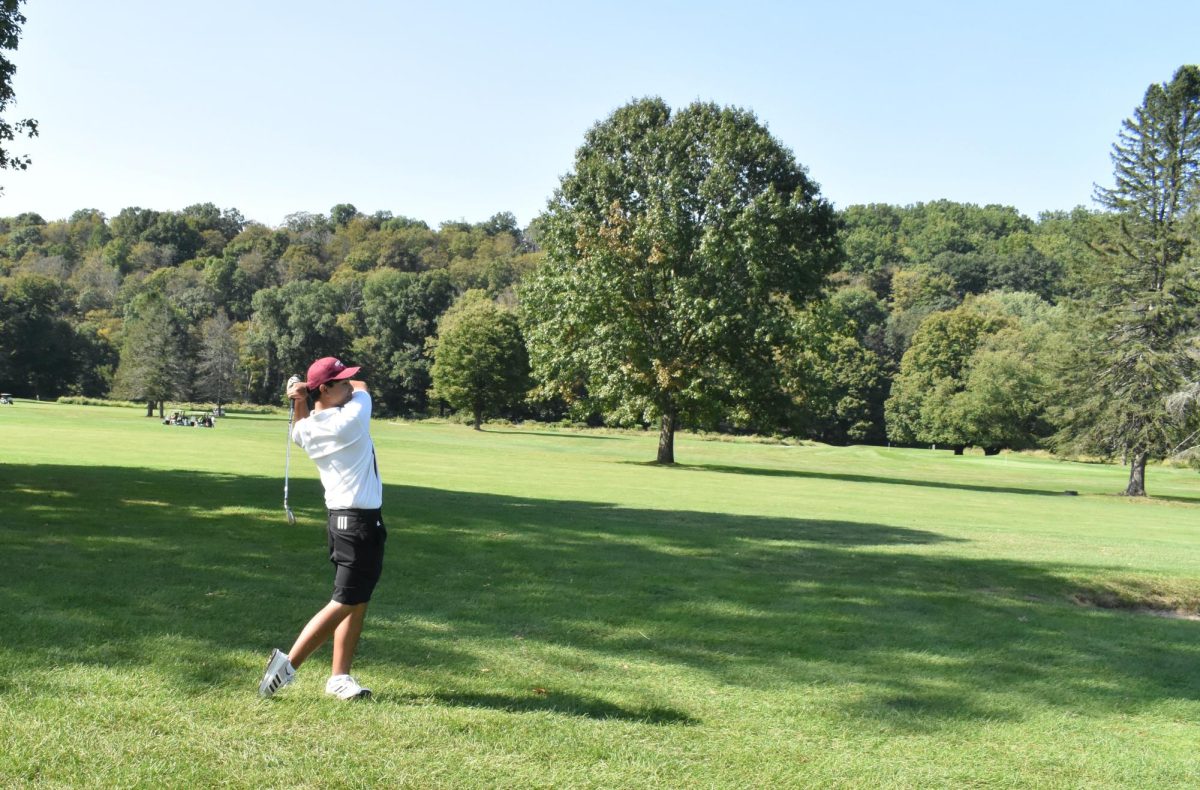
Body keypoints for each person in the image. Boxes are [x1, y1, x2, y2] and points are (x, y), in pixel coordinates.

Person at [258, 356, 386, 700]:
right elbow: (363, 388)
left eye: (346, 381)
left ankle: (339, 678)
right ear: (325, 389)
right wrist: (308, 393)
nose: (348, 385)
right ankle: (285, 667)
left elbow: (301, 424)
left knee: (357, 599)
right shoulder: (352, 417)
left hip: (342, 523)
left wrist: (300, 397)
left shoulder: (305, 429)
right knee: (344, 601)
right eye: (340, 382)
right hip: (358, 523)